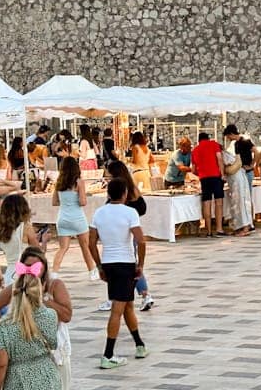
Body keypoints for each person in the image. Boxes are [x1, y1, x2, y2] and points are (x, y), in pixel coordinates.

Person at [0, 248, 73, 390]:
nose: (31, 271)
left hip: (54, 351)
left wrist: (41, 298)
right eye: (28, 266)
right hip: (22, 358)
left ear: (44, 267)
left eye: (36, 266)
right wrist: (4, 331)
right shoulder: (17, 288)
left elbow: (67, 316)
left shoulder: (55, 285)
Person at [88, 177, 148, 369]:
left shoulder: (99, 213)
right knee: (117, 309)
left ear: (108, 194)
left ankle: (139, 344)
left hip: (109, 263)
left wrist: (99, 266)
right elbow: (141, 240)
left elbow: (91, 243)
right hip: (125, 263)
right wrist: (140, 264)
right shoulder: (130, 212)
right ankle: (108, 354)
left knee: (127, 304)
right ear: (125, 194)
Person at [100, 162, 154, 312]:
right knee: (132, 264)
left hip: (118, 234)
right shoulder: (132, 186)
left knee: (121, 265)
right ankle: (144, 294)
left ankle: (116, 298)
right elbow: (142, 207)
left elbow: (109, 207)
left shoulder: (117, 189)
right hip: (131, 231)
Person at [51, 157, 98, 281]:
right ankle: (92, 272)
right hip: (77, 218)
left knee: (62, 248)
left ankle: (54, 272)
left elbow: (54, 202)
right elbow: (83, 202)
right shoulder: (79, 182)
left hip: (63, 218)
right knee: (85, 246)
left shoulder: (58, 183)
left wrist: (65, 201)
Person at [0, 194, 41, 285]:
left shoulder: (1, 229)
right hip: (25, 272)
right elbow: (39, 253)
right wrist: (44, 240)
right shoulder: (26, 227)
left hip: (10, 272)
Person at [191, 133, 226, 237]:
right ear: (208, 138)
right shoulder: (214, 144)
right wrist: (222, 174)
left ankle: (208, 230)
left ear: (199, 140)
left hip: (204, 178)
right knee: (218, 202)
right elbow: (219, 159)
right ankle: (219, 229)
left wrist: (201, 174)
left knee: (207, 203)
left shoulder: (195, 150)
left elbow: (193, 170)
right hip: (216, 176)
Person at [224, 125, 256, 233]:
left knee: (245, 198)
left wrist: (252, 165)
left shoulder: (245, 141)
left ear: (231, 134)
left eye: (228, 136)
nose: (228, 138)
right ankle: (248, 223)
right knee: (245, 198)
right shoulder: (236, 144)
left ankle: (249, 224)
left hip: (247, 171)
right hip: (242, 171)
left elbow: (256, 152)